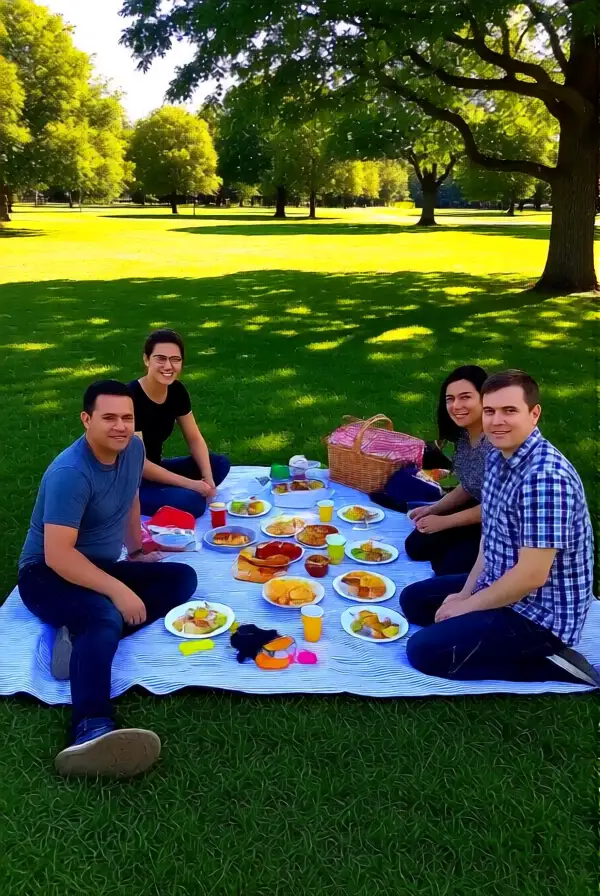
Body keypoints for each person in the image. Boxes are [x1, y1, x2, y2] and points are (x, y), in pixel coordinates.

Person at [18, 381, 198, 778]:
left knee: (180, 579)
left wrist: (137, 551)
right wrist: (117, 590)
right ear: (86, 420)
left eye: (127, 417)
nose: (120, 426)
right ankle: (90, 727)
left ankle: (82, 640)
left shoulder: (132, 449)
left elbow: (130, 496)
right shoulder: (70, 473)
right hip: (45, 573)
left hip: (96, 566)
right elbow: (58, 555)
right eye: (109, 417)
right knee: (103, 615)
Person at [400, 370, 598, 687]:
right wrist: (464, 594)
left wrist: (465, 608)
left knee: (424, 651)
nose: (496, 421)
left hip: (539, 614)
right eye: (490, 411)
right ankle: (478, 621)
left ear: (534, 413)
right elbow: (489, 540)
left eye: (509, 410)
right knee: (414, 601)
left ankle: (553, 662)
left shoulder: (546, 478)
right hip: (500, 581)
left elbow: (532, 576)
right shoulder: (498, 456)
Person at [128, 328, 230, 518]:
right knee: (193, 502)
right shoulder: (132, 397)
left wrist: (207, 479)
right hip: (132, 480)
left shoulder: (176, 391)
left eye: (175, 359)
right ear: (146, 359)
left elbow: (194, 438)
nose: (168, 366)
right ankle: (165, 495)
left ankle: (171, 491)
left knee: (219, 464)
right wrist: (191, 484)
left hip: (157, 467)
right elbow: (139, 464)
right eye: (161, 359)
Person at [404, 365, 492, 575]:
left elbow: (496, 506)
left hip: (498, 521)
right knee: (416, 547)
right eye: (450, 399)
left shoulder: (498, 441)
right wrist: (433, 509)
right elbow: (469, 485)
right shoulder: (463, 436)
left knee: (447, 568)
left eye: (465, 397)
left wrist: (445, 521)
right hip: (475, 508)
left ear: (485, 398)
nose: (456, 406)